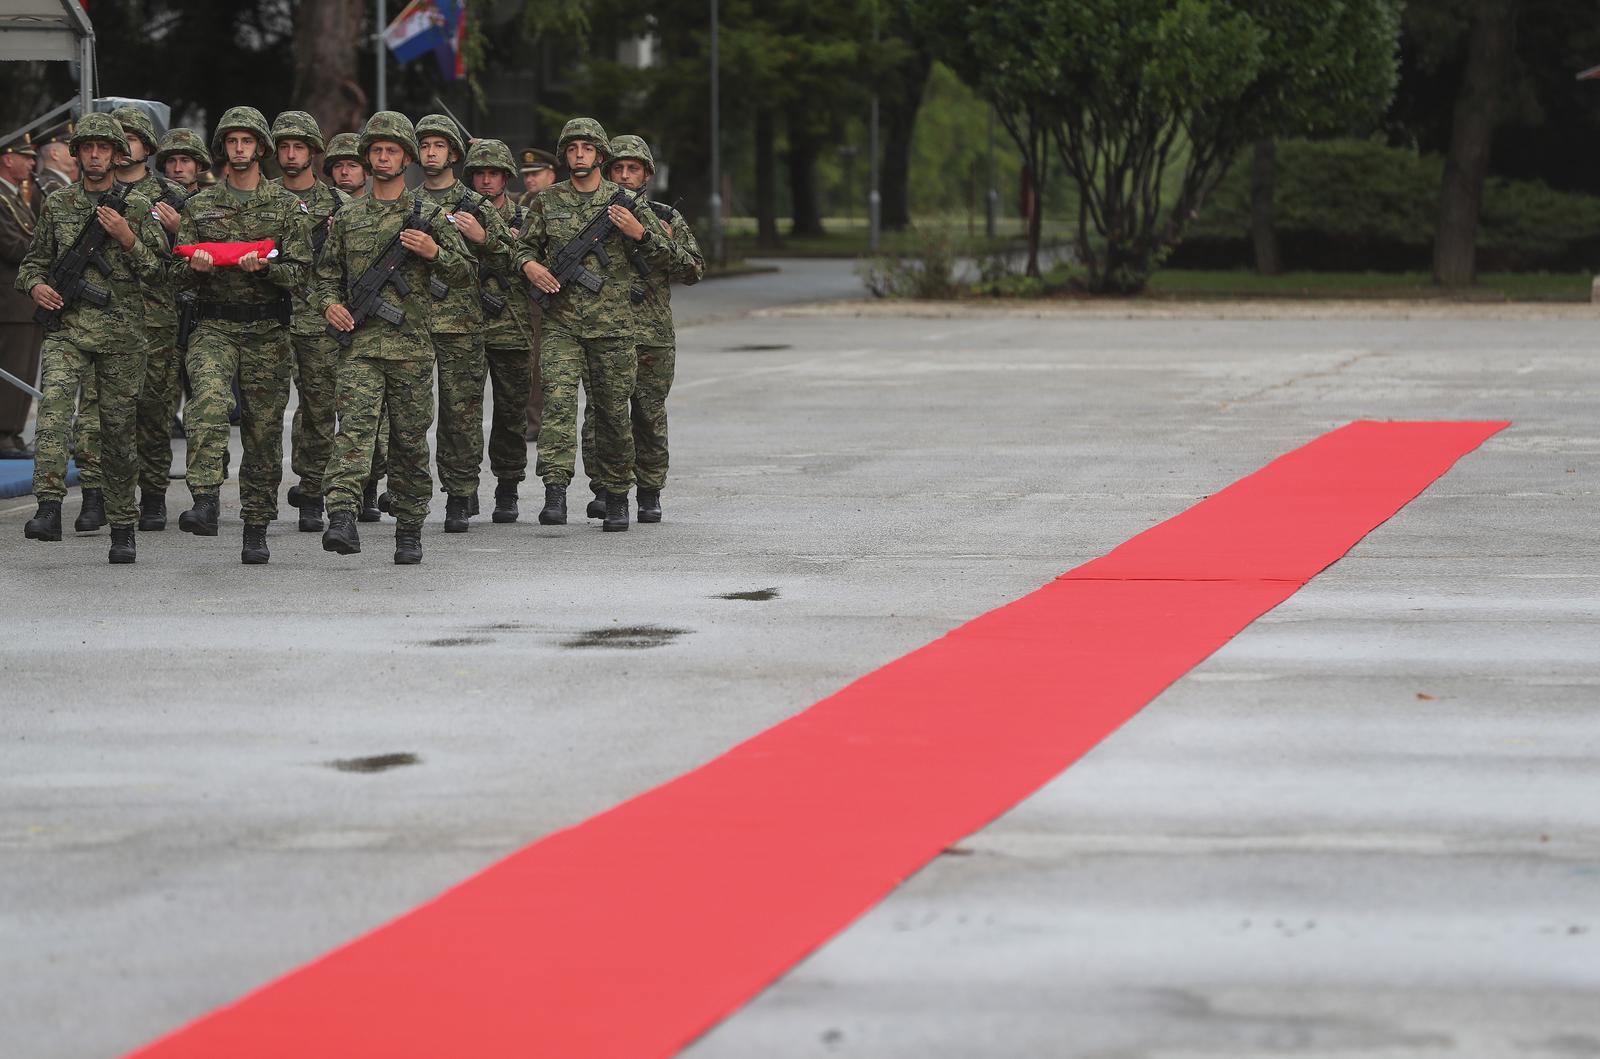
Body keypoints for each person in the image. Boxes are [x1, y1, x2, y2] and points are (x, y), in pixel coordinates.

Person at [313, 111, 473, 564]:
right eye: (376, 150)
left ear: (406, 158)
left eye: (391, 151)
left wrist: (435, 251)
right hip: (360, 348)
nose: (383, 157)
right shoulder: (348, 217)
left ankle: (409, 526)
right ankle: (341, 514)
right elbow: (324, 276)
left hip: (412, 350)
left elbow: (465, 274)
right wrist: (330, 305)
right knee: (355, 432)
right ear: (366, 157)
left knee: (408, 440)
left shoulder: (429, 216)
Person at [513, 117, 688, 531]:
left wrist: (640, 233)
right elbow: (520, 246)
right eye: (572, 149)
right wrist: (530, 266)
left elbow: (677, 259)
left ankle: (618, 496)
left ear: (600, 155)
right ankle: (554, 493)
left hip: (614, 328)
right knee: (557, 406)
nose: (579, 156)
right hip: (561, 324)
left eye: (587, 149)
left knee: (611, 413)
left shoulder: (626, 202)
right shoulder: (547, 201)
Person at [16, 113, 167, 562]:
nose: (96, 155)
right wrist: (35, 286)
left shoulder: (138, 207)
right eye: (88, 148)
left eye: (104, 148)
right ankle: (47, 506)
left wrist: (127, 239)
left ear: (119, 155)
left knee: (118, 433)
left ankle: (122, 527)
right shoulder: (59, 204)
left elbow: (160, 274)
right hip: (67, 331)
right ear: (78, 154)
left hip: (123, 339)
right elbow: (33, 262)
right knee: (54, 413)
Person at [170, 106, 313, 564]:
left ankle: (256, 524)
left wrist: (268, 269)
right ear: (222, 148)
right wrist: (191, 270)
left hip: (267, 329)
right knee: (208, 404)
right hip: (212, 325)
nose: (238, 149)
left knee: (263, 431)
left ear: (260, 148)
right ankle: (206, 499)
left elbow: (302, 273)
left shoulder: (286, 206)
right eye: (231, 141)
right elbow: (171, 273)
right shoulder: (199, 206)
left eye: (246, 141)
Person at [579, 134, 703, 524]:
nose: (625, 175)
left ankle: (649, 491)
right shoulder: (586, 214)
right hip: (600, 329)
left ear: (647, 174)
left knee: (648, 413)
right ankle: (604, 488)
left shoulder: (665, 217)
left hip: (651, 333)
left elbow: (693, 269)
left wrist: (643, 234)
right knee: (601, 413)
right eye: (617, 168)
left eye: (633, 169)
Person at [75, 106, 187, 534]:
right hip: (97, 320)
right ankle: (94, 495)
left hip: (153, 319)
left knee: (154, 412)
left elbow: (186, 258)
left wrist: (178, 231)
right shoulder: (84, 194)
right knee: (93, 414)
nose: (118, 147)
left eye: (129, 138)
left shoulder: (167, 196)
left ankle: (153, 495)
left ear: (145, 147)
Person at [415, 113, 510, 533]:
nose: (430, 152)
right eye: (424, 145)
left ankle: (459, 494)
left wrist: (482, 238)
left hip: (462, 322)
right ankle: (408, 494)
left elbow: (515, 256)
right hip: (410, 324)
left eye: (439, 146)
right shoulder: (406, 201)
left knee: (461, 414)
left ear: (453, 153)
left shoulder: (475, 206)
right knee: (411, 415)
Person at [271, 110, 347, 534]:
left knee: (319, 411)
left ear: (314, 153)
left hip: (319, 323)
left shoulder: (339, 204)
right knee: (264, 413)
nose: (291, 154)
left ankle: (313, 490)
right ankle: (259, 495)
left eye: (299, 147)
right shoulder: (262, 199)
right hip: (268, 317)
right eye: (284, 146)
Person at [463, 138, 536, 522]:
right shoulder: (455, 215)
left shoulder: (525, 220)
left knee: (510, 414)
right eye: (480, 173)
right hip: (465, 327)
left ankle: (507, 486)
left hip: (513, 326)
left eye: (493, 174)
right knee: (464, 414)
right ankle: (464, 487)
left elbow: (532, 262)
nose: (486, 181)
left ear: (506, 177)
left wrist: (487, 238)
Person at [322, 129, 385, 525]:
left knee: (388, 425)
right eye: (339, 166)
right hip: (346, 330)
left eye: (352, 166)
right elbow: (325, 274)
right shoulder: (340, 216)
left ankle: (371, 487)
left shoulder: (412, 211)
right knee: (351, 417)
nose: (346, 173)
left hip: (398, 337)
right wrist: (329, 303)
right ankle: (339, 500)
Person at [0, 133, 40, 460]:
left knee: (25, 369)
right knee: (13, 367)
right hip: (9, 300)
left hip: (24, 300)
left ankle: (12, 432)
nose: (31, 163)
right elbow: (12, 246)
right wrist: (45, 250)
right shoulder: (1, 198)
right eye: (25, 157)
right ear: (7, 158)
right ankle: (3, 433)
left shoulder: (13, 197)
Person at [517, 147, 555, 444]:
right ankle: (534, 420)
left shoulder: (559, 202)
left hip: (556, 288)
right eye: (526, 175)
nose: (530, 180)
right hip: (529, 292)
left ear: (551, 174)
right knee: (531, 359)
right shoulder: (524, 203)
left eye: (536, 174)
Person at [155, 128, 210, 193]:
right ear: (164, 165)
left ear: (199, 166)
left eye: (185, 161)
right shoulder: (146, 201)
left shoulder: (215, 202)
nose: (177, 169)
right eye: (171, 161)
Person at [34, 128, 77, 199]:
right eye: (71, 148)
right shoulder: (51, 186)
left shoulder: (55, 183)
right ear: (55, 154)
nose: (75, 153)